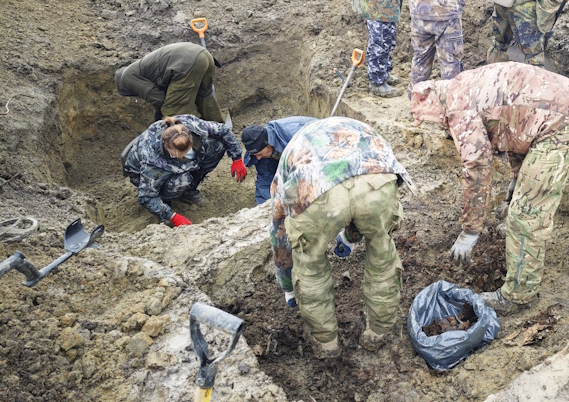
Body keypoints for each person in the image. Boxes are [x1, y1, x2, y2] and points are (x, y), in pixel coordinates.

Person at [410, 63, 569, 315]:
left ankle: (519, 295)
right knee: (523, 202)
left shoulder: (458, 109)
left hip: (563, 124)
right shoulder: (464, 83)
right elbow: (513, 123)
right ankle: (521, 265)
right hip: (568, 107)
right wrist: (518, 176)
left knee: (526, 213)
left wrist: (470, 231)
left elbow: (477, 166)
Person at [273, 117, 410, 357]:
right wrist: (350, 236)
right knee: (381, 251)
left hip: (315, 191)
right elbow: (360, 196)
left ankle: (327, 344)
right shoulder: (357, 128)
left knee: (311, 265)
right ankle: (379, 332)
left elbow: (278, 230)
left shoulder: (292, 152)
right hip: (377, 179)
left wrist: (288, 286)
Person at [242, 116, 317, 308]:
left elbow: (316, 169)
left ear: (268, 143)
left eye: (259, 153)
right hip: (282, 158)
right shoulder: (260, 154)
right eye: (255, 155)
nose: (257, 157)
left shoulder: (296, 135)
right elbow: (265, 181)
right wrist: (267, 209)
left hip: (311, 155)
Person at [121, 115, 246, 226]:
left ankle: (188, 192)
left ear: (190, 139)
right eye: (177, 154)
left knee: (217, 146)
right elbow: (146, 197)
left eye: (186, 152)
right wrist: (173, 217)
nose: (182, 157)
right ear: (165, 145)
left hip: (173, 162)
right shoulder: (151, 159)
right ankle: (165, 203)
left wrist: (237, 158)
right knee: (182, 179)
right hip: (143, 174)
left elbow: (223, 130)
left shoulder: (193, 126)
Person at [115, 42, 225, 123]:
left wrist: (160, 117)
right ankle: (221, 132)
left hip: (187, 63)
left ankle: (189, 151)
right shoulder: (141, 68)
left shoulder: (127, 78)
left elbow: (160, 99)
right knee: (204, 96)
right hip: (204, 55)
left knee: (173, 112)